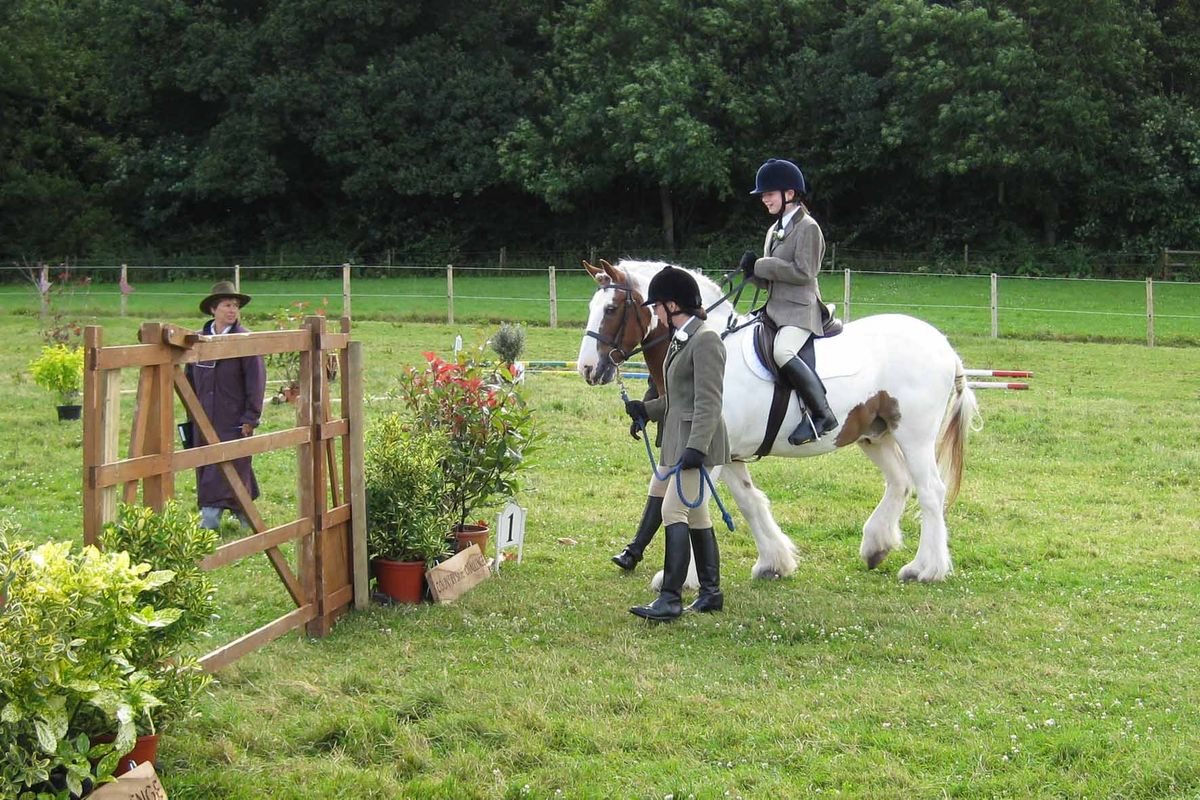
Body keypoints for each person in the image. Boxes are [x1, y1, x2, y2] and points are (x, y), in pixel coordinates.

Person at [624, 266, 730, 621]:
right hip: (680, 441)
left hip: (697, 444)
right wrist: (646, 410)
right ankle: (711, 593)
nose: (654, 313)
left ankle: (670, 599)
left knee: (673, 511)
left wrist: (696, 448)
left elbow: (708, 403)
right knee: (697, 515)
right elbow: (678, 399)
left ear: (672, 305)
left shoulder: (706, 340)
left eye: (656, 307)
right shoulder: (682, 340)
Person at [740, 158, 838, 446]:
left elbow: (804, 272)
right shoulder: (774, 230)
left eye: (769, 194)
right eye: (764, 195)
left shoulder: (808, 227)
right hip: (774, 310)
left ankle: (822, 414)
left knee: (783, 352)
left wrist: (762, 265)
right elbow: (770, 280)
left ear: (789, 194)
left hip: (800, 310)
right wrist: (751, 272)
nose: (764, 200)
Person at [185, 281, 266, 530]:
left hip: (233, 418)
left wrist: (251, 417)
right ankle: (244, 519)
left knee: (235, 465)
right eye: (227, 305)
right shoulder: (198, 340)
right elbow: (188, 378)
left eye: (236, 306)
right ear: (213, 309)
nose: (232, 310)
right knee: (208, 465)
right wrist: (191, 414)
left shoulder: (244, 340)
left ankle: (210, 522)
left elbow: (257, 381)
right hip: (203, 418)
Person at [609, 376, 665, 572]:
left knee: (678, 509)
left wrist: (646, 409)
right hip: (675, 436)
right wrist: (645, 412)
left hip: (690, 434)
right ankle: (634, 551)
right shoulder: (672, 346)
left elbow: (683, 396)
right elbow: (658, 380)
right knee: (659, 486)